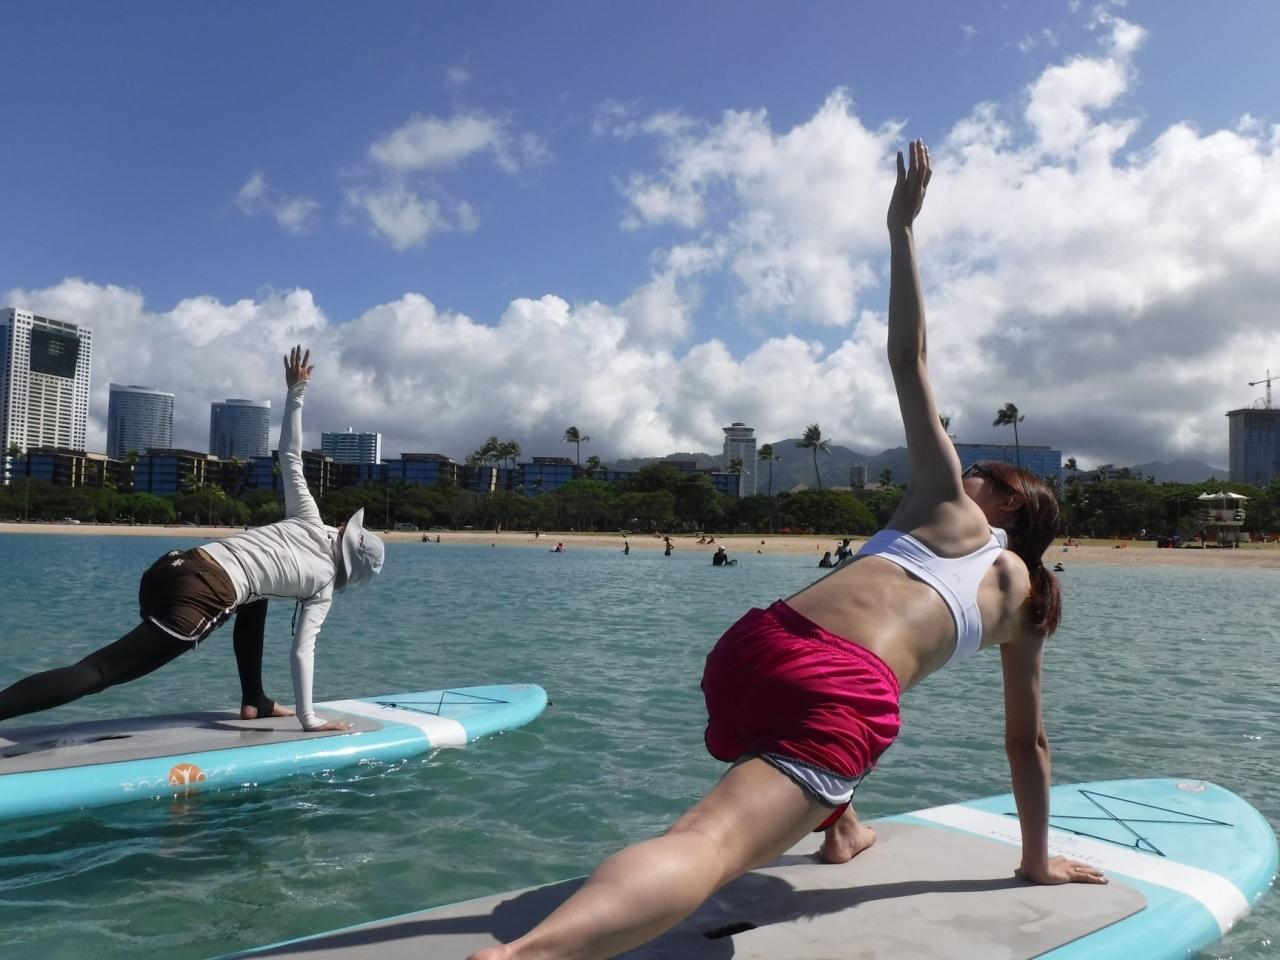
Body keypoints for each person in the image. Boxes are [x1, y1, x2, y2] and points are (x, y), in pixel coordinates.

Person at [467, 140, 1103, 960]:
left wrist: (901, 228)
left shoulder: (948, 506)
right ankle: (522, 958)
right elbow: (1027, 744)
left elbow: (908, 358)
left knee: (788, 766)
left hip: (754, 648)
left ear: (1011, 502)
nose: (967, 469)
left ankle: (842, 829)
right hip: (832, 686)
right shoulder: (1028, 605)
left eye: (983, 470)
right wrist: (1035, 861)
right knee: (709, 842)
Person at [0, 346, 385, 732]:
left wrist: (296, 392)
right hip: (199, 596)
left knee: (256, 598)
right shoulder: (322, 588)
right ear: (348, 573)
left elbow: (290, 456)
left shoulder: (308, 517)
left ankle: (254, 699)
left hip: (174, 566)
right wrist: (309, 719)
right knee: (99, 671)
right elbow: (303, 651)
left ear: (342, 529)